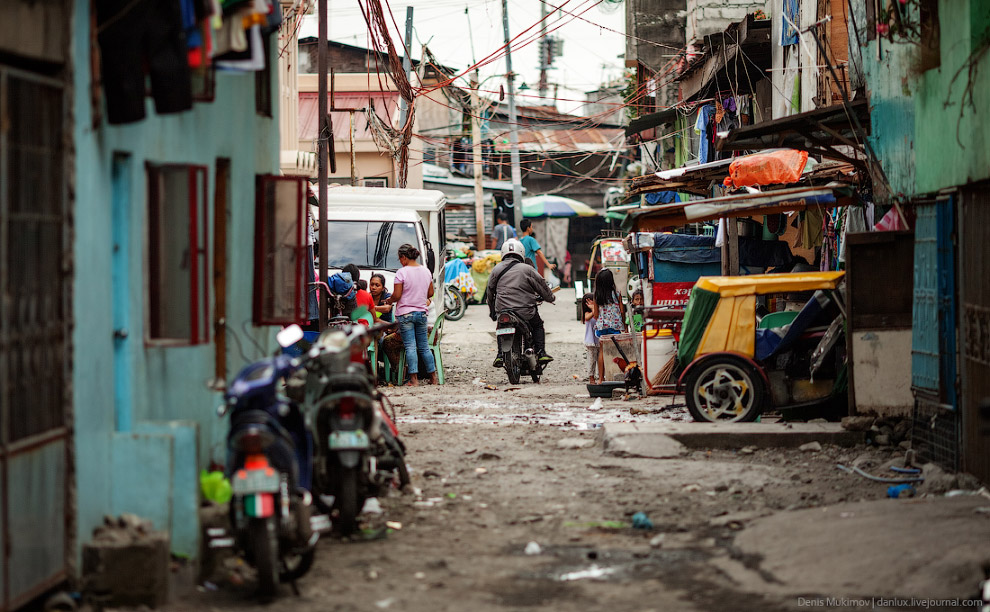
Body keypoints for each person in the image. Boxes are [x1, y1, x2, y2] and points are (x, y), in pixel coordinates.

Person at [488, 238, 556, 367]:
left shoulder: (496, 269)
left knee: (501, 326)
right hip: (525, 310)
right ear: (521, 252)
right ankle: (541, 352)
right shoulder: (527, 269)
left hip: (503, 309)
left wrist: (492, 311)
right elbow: (541, 285)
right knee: (537, 325)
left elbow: (490, 292)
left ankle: (500, 355)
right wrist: (550, 297)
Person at [384, 244, 438, 386]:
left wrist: (389, 300)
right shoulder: (426, 271)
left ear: (403, 257)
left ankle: (414, 379)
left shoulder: (402, 272)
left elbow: (397, 295)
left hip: (406, 314)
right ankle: (433, 378)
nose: (400, 262)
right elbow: (430, 293)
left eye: (400, 259)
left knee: (410, 347)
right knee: (424, 347)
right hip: (421, 313)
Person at [591, 268, 627, 383]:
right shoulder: (617, 294)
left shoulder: (597, 296)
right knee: (615, 351)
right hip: (615, 327)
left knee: (602, 351)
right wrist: (624, 325)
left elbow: (596, 315)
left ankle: (601, 378)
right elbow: (622, 311)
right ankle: (614, 376)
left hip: (602, 327)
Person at [582, 293, 600, 384]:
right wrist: (593, 308)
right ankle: (591, 377)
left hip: (598, 339)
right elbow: (588, 317)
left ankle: (600, 376)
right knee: (591, 360)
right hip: (591, 341)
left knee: (600, 359)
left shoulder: (598, 313)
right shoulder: (587, 314)